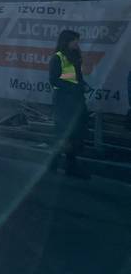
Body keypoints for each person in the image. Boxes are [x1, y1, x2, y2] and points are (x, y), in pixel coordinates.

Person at [48, 30, 89, 178]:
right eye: (74, 41)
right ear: (66, 41)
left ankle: (65, 163)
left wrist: (83, 85)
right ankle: (60, 163)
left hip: (76, 101)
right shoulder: (58, 58)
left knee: (74, 133)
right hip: (64, 102)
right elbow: (54, 80)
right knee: (65, 133)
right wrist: (75, 87)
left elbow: (76, 77)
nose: (77, 43)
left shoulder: (75, 57)